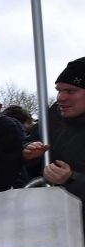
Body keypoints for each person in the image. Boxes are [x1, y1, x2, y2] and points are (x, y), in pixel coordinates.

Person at [24, 58, 85, 201]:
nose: (60, 98)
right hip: (54, 208)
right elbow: (27, 143)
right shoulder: (52, 117)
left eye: (70, 91)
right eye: (59, 90)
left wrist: (72, 178)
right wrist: (28, 153)